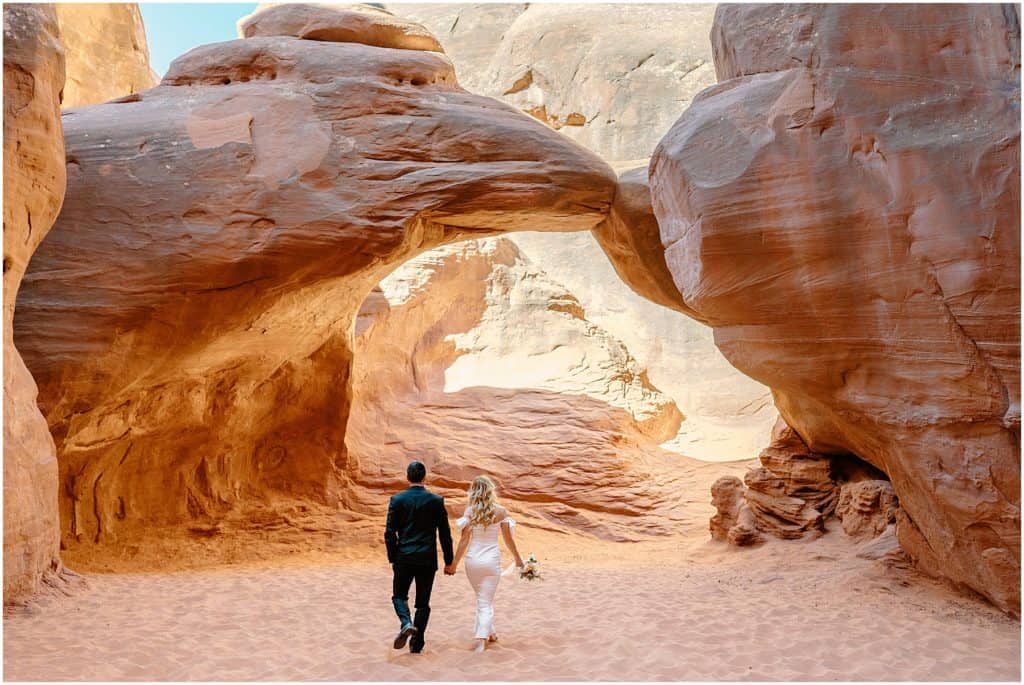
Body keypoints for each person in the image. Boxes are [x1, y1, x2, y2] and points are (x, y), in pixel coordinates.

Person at [384, 460, 454, 654]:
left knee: (399, 596)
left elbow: (390, 533)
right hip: (427, 559)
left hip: (404, 557)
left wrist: (393, 558)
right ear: (425, 477)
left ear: (408, 477)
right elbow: (445, 534)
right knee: (422, 603)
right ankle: (417, 643)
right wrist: (449, 561)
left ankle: (406, 622)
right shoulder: (436, 501)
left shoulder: (397, 500)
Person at [449, 475, 524, 653]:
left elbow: (463, 541)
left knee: (482, 599)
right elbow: (508, 540)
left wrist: (454, 564)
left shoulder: (470, 512)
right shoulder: (501, 511)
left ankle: (492, 633)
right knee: (485, 601)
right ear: (491, 491)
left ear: (474, 492)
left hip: (472, 561)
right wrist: (518, 558)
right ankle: (481, 639)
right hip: (491, 561)